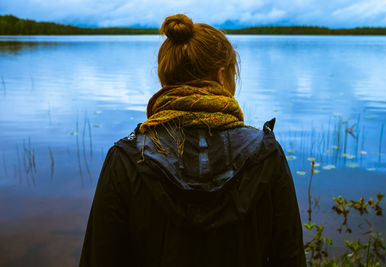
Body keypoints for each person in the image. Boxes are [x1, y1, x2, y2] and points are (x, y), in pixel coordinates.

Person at [79, 14, 306, 267]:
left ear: (165, 80)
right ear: (221, 77)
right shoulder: (266, 153)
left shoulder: (127, 157)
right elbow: (290, 258)